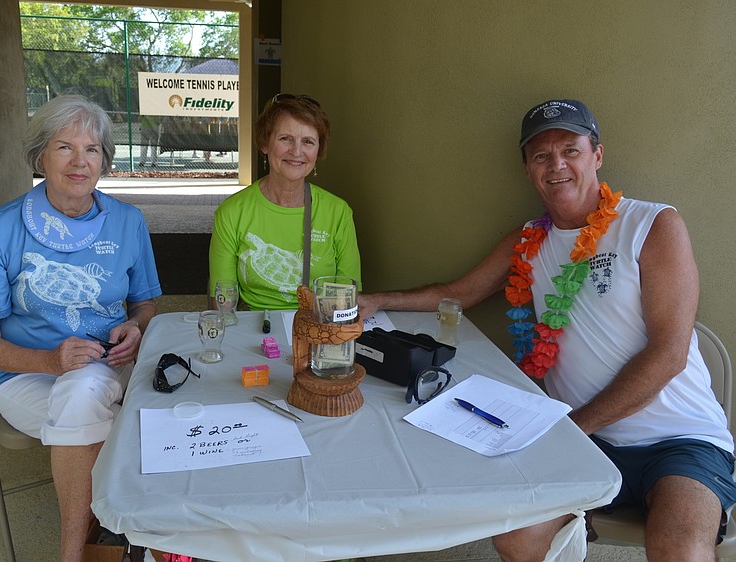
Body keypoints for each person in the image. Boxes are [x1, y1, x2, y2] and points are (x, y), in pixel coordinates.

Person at [359, 99, 736, 561]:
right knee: (517, 535)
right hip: (585, 440)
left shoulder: (652, 224)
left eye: (570, 150)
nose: (556, 164)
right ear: (528, 169)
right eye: (541, 155)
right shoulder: (527, 240)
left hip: (679, 441)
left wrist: (571, 430)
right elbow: (459, 293)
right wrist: (376, 300)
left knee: (680, 549)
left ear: (597, 155)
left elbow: (669, 355)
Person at [0, 94, 162, 562]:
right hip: (25, 374)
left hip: (114, 366)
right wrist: (50, 361)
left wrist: (136, 327)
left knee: (166, 402)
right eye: (64, 148)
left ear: (104, 161)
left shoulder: (128, 221)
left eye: (92, 150)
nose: (80, 162)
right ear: (39, 157)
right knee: (96, 404)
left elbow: (147, 305)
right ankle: (80, 551)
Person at [208, 93, 361, 310]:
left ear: (318, 151)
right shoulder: (231, 212)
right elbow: (222, 300)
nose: (296, 151)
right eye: (285, 138)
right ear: (264, 143)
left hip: (317, 327)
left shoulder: (338, 212)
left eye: (308, 141)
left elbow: (347, 297)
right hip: (256, 327)